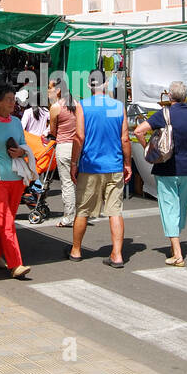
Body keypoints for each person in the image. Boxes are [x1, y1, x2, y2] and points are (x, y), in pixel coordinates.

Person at [66, 69, 131, 268]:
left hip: (90, 165)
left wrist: (74, 163)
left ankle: (76, 250)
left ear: (89, 85)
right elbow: (125, 138)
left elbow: (79, 137)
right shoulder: (119, 106)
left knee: (83, 210)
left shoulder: (83, 106)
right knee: (115, 211)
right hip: (114, 166)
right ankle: (117, 255)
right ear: (106, 84)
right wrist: (127, 163)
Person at [135, 81, 187, 266]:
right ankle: (174, 244)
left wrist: (148, 147)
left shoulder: (164, 114)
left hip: (167, 167)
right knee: (180, 207)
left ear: (170, 96)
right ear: (185, 96)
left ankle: (177, 253)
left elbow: (139, 131)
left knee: (169, 208)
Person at [0, 82, 35, 279]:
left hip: (17, 179)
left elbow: (25, 145)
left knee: (5, 221)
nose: (13, 103)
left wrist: (21, 151)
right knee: (7, 222)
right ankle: (15, 264)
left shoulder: (17, 122)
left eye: (13, 99)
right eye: (9, 99)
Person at [47, 74, 79, 227]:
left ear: (58, 90)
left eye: (50, 88)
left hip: (64, 146)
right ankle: (81, 213)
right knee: (79, 181)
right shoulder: (76, 104)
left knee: (67, 183)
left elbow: (53, 131)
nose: (48, 91)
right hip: (78, 146)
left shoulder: (55, 108)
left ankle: (69, 216)